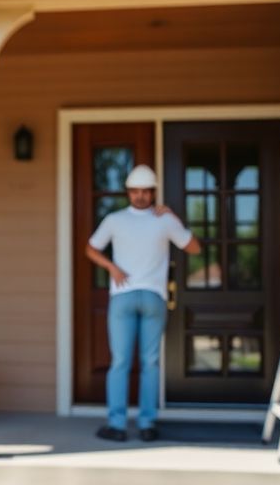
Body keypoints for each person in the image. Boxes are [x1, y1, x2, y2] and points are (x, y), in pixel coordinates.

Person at [86, 164, 201, 442]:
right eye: (135, 191)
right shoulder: (117, 219)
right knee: (130, 363)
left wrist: (173, 216)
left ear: (152, 193)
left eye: (144, 191)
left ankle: (135, 424)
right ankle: (128, 425)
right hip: (128, 294)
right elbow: (91, 249)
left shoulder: (163, 219)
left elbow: (195, 248)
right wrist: (112, 268)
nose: (139, 196)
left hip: (148, 297)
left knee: (137, 363)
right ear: (128, 192)